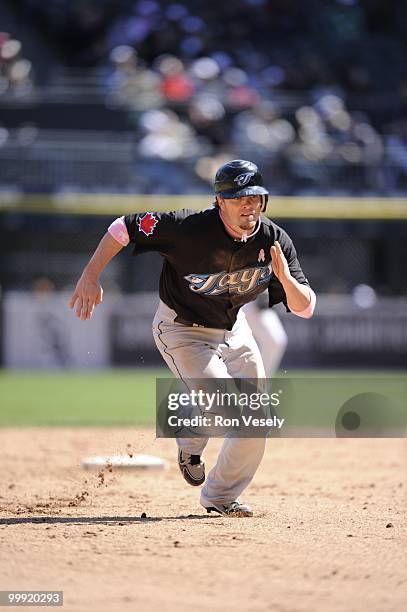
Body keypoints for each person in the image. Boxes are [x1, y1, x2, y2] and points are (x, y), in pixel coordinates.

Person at [69, 159, 316, 517]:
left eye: (255, 197)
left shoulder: (274, 240)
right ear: (220, 202)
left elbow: (306, 308)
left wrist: (287, 280)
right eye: (238, 198)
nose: (248, 205)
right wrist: (90, 276)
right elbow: (122, 227)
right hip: (182, 329)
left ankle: (219, 497)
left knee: (257, 418)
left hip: (233, 328)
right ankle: (190, 437)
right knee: (226, 408)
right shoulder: (186, 227)